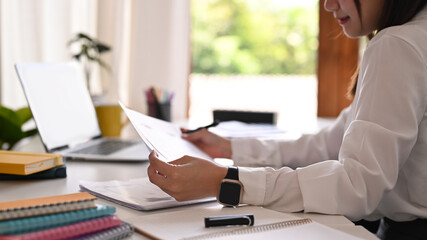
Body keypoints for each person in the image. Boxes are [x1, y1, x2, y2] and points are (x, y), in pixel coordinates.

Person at [147, 0, 427, 239]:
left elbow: (358, 186)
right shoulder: (413, 37)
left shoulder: (397, 45)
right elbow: (331, 142)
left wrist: (228, 182)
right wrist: (228, 149)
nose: (328, 4)